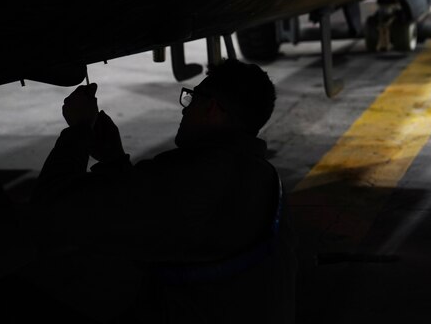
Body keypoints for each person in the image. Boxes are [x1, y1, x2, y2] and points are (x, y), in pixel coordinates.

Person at [31, 59, 297, 324]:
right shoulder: (261, 174)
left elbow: (52, 212)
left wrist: (78, 130)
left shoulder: (193, 176)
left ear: (212, 108)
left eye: (191, 100)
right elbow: (155, 216)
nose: (184, 110)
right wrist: (113, 162)